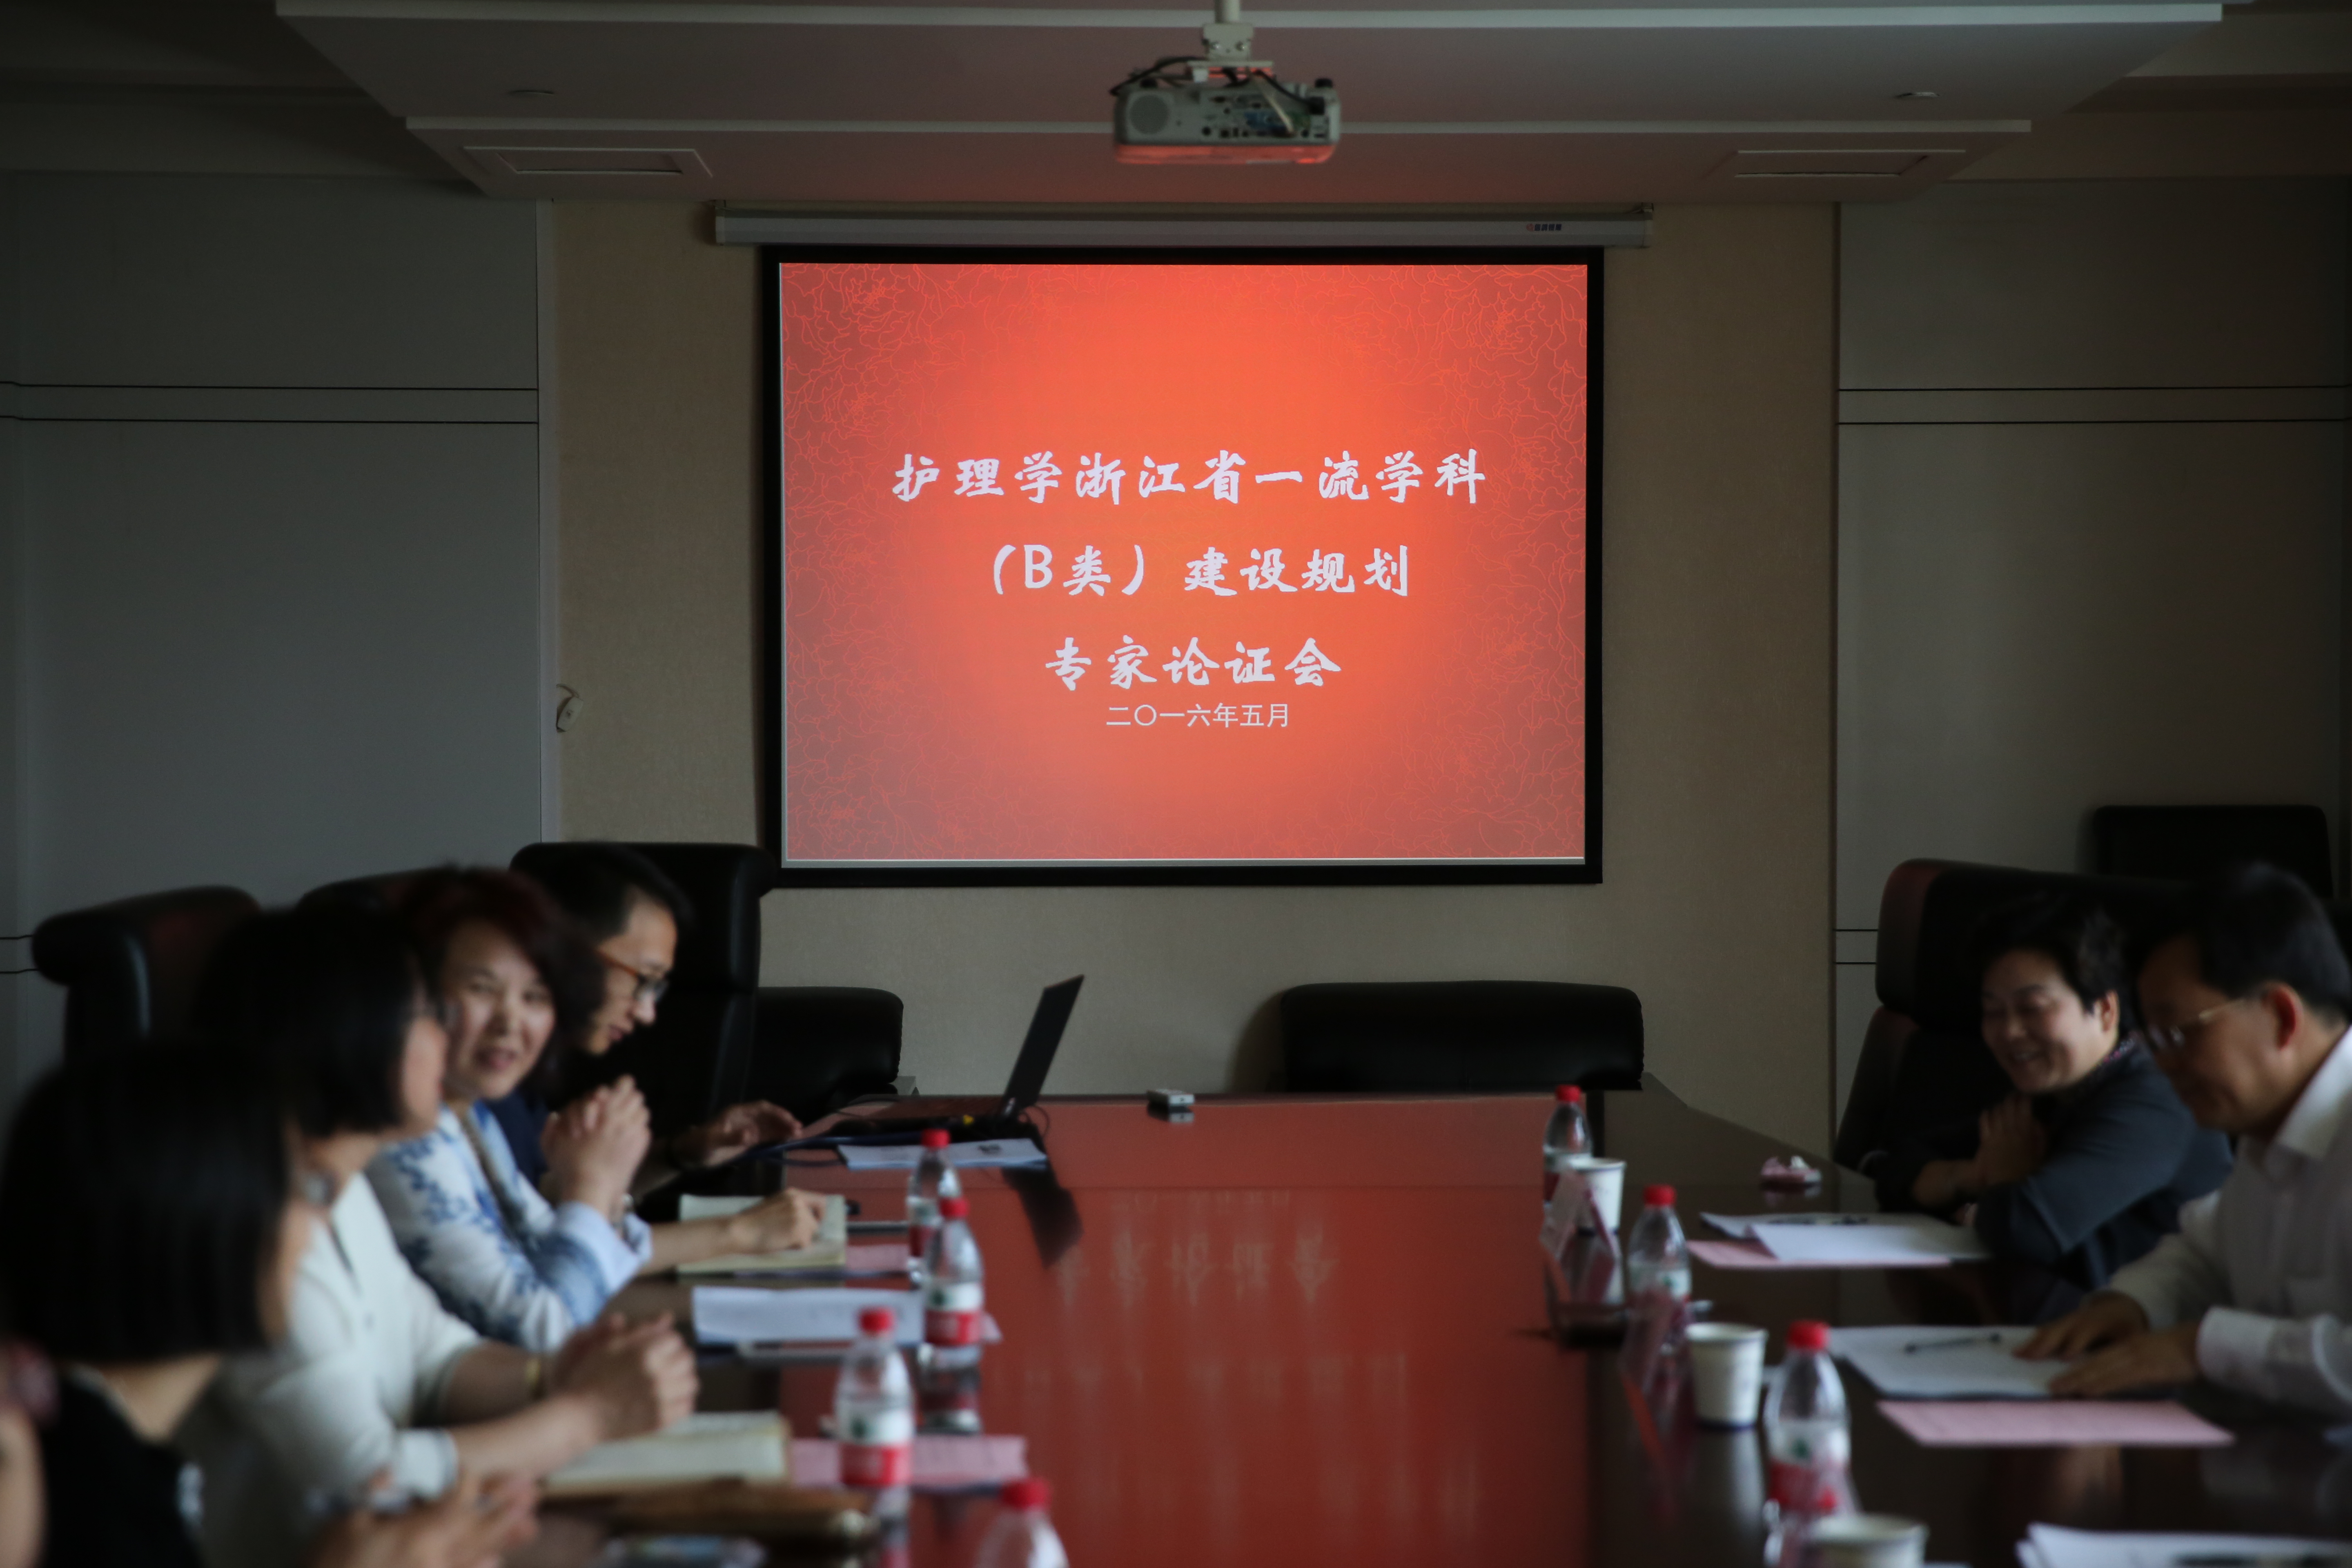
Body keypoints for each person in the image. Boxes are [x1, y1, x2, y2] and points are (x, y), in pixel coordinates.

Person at [180, 903, 699, 1568]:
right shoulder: (256, 1225)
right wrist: (587, 1416)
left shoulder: (342, 1186)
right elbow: (367, 1481)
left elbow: (435, 1359)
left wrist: (558, 1376)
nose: (448, 1039)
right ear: (352, 1038)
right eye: (430, 1016)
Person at [0, 1045, 536, 1568]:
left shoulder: (120, 1455)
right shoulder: (38, 1479)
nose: (318, 1228)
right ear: (211, 1229)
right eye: (306, 1189)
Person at [367, 870, 824, 1352]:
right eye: (482, 988)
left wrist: (727, 1217)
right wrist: (594, 1185)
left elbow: (554, 1243)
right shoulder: (410, 1134)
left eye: (535, 996)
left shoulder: (471, 1114)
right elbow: (540, 1322)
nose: (510, 1022)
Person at [2021, 864, 2352, 1416]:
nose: (2163, 1064)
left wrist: (2204, 1347)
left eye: (2179, 1034)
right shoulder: (2267, 1132)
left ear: (2280, 1016)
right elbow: (2205, 1255)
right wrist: (2132, 1304)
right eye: (2152, 1040)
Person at [1874, 895, 2231, 1289]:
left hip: (2154, 1321)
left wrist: (2003, 1184)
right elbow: (1897, 1166)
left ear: (2106, 1010)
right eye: (1993, 1012)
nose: (2009, 1032)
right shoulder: (2056, 1090)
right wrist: (1969, 1176)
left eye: (2032, 1008)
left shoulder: (2156, 1101)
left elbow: (2024, 1231)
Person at [489, 844, 801, 1189]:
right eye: (642, 980)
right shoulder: (482, 1083)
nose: (647, 1013)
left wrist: (682, 1154)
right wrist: (741, 1224)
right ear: (569, 951)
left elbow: (552, 1200)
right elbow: (550, 1221)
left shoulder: (524, 1081)